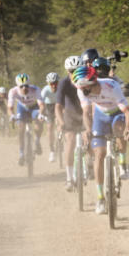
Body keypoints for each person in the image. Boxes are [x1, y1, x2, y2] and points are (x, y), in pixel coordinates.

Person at [72, 65, 129, 214]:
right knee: (99, 155)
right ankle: (100, 198)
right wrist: (88, 130)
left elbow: (128, 112)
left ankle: (122, 162)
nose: (83, 91)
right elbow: (86, 113)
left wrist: (128, 128)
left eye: (85, 87)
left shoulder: (111, 86)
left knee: (120, 129)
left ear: (93, 82)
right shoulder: (81, 90)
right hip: (100, 115)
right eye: (80, 88)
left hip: (116, 113)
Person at [57, 56, 84, 191]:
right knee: (70, 141)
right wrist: (61, 122)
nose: (74, 73)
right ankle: (69, 178)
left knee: (89, 139)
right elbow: (58, 106)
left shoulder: (87, 79)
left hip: (85, 114)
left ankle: (89, 164)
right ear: (67, 71)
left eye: (77, 70)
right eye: (71, 71)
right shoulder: (64, 83)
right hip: (70, 115)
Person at [6, 73, 45, 165]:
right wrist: (11, 115)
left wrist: (41, 114)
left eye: (26, 85)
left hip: (33, 108)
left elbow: (42, 105)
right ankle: (21, 154)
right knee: (21, 128)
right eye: (21, 86)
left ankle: (37, 141)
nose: (24, 88)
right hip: (22, 108)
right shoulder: (13, 91)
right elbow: (10, 108)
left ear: (29, 84)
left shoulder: (35, 89)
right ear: (17, 86)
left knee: (38, 122)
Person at [41, 72, 60, 162]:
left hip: (59, 106)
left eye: (55, 83)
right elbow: (40, 101)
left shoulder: (61, 89)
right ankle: (52, 151)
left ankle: (62, 138)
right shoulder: (45, 90)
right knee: (50, 127)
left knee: (61, 123)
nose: (53, 86)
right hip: (49, 107)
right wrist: (41, 113)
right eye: (51, 83)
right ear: (48, 83)